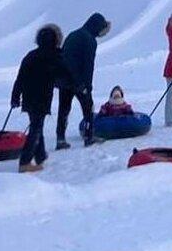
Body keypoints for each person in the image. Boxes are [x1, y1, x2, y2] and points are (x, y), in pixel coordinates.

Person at [11, 24, 68, 172]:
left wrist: (15, 97)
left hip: (29, 97)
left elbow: (20, 78)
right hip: (42, 97)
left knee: (36, 124)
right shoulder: (56, 56)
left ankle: (40, 155)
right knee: (36, 128)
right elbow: (65, 75)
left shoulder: (31, 56)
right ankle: (25, 161)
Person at [59, 13, 111, 148]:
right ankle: (89, 136)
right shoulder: (89, 40)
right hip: (79, 81)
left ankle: (60, 138)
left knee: (64, 108)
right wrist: (87, 85)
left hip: (64, 79)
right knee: (88, 108)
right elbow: (88, 65)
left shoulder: (73, 34)